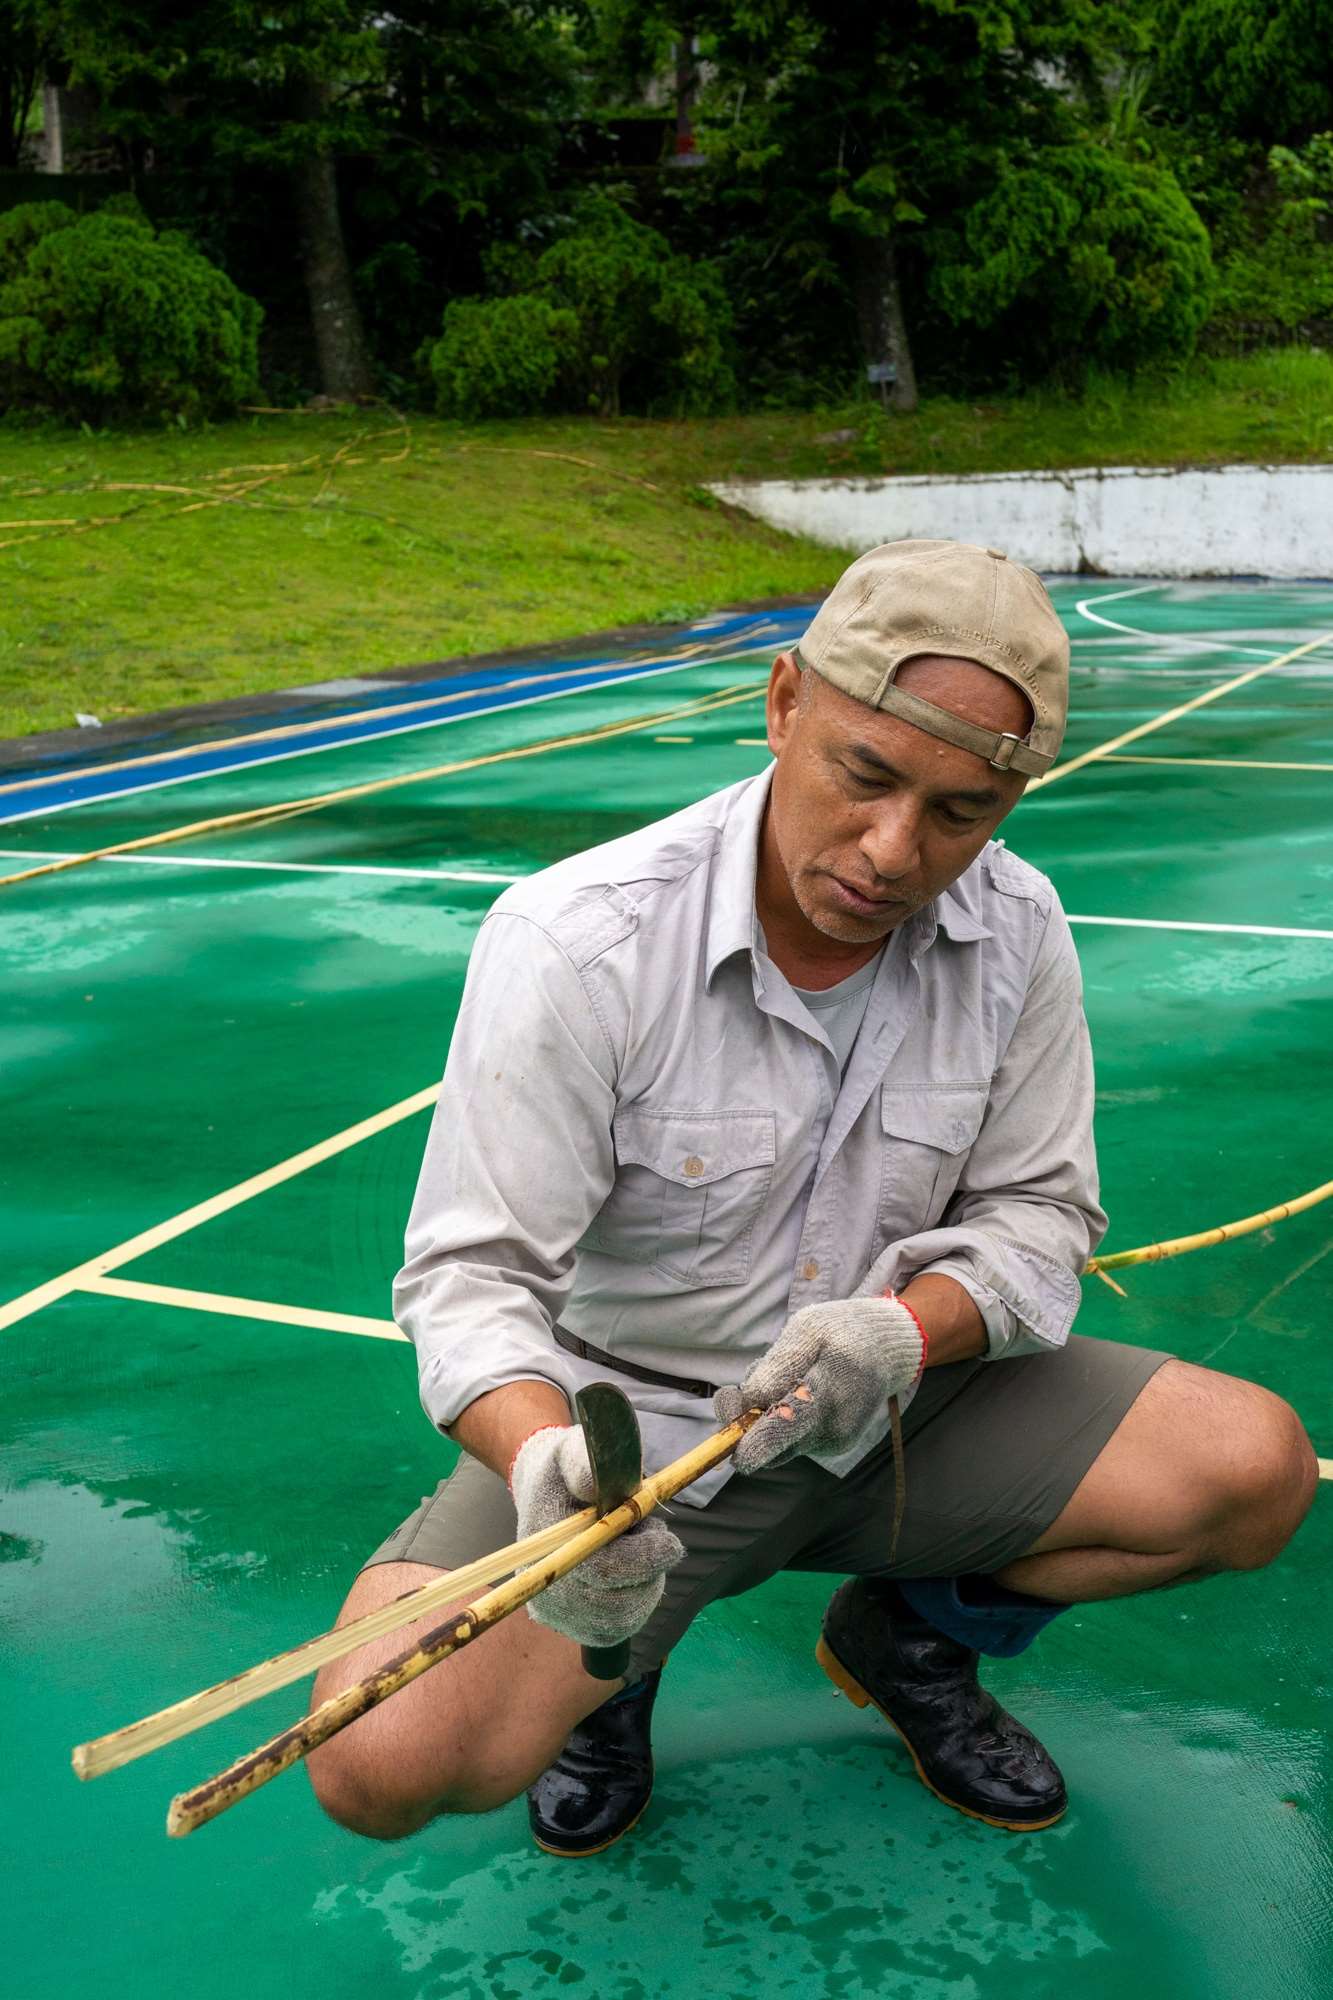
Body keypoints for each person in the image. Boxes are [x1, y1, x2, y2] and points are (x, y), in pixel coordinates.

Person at [306, 539, 1317, 1853]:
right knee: (380, 1762)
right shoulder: (578, 942)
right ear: (784, 703)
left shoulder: (1016, 933)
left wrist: (908, 1331)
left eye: (959, 813)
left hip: (903, 1408)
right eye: (865, 774)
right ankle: (614, 1672)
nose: (893, 851)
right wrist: (549, 1466)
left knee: (1253, 1472)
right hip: (637, 1448)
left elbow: (1041, 1217)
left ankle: (910, 1641)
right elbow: (472, 1280)